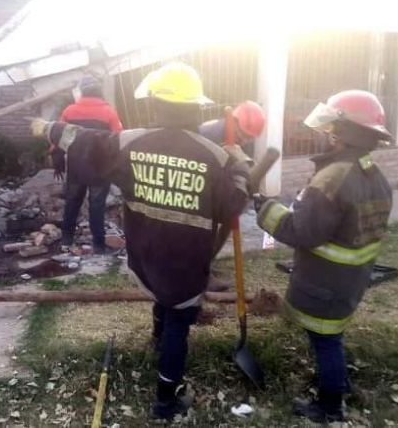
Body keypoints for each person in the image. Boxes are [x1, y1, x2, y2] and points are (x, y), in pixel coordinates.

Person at [31, 62, 268, 420]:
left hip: (145, 251)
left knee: (160, 295)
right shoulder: (215, 156)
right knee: (179, 322)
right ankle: (165, 401)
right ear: (196, 105)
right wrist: (240, 168)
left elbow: (86, 141)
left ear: (156, 103)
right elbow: (231, 206)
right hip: (186, 258)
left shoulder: (131, 142)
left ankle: (158, 341)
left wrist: (49, 127)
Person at [254, 90, 394, 423]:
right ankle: (339, 383)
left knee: (326, 340)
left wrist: (265, 209)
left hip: (325, 282)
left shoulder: (333, 178)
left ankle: (330, 405)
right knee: (332, 338)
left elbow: (303, 231)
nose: (325, 133)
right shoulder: (373, 174)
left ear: (343, 133)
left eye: (331, 127)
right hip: (351, 280)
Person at [198, 101, 267, 291]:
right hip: (201, 185)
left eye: (249, 137)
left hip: (220, 184)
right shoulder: (209, 133)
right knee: (205, 228)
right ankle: (200, 274)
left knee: (229, 220)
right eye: (242, 134)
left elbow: (240, 165)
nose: (244, 140)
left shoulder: (241, 140)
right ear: (233, 121)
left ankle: (206, 262)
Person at [52, 76, 123, 254]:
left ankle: (66, 241)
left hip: (76, 167)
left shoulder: (70, 111)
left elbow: (58, 135)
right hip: (100, 169)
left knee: (72, 203)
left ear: (82, 91)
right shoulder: (109, 112)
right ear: (99, 91)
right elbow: (118, 140)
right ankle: (98, 246)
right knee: (97, 207)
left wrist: (56, 157)